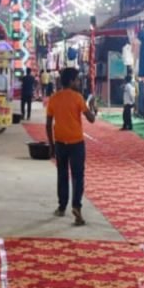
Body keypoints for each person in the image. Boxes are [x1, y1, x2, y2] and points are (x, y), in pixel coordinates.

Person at [46, 67, 97, 226]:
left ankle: (62, 207)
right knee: (78, 176)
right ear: (71, 81)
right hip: (76, 143)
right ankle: (76, 206)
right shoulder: (78, 98)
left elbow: (48, 124)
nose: (78, 82)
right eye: (77, 80)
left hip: (60, 142)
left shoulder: (54, 98)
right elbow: (91, 119)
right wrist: (93, 107)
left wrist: (51, 144)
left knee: (62, 175)